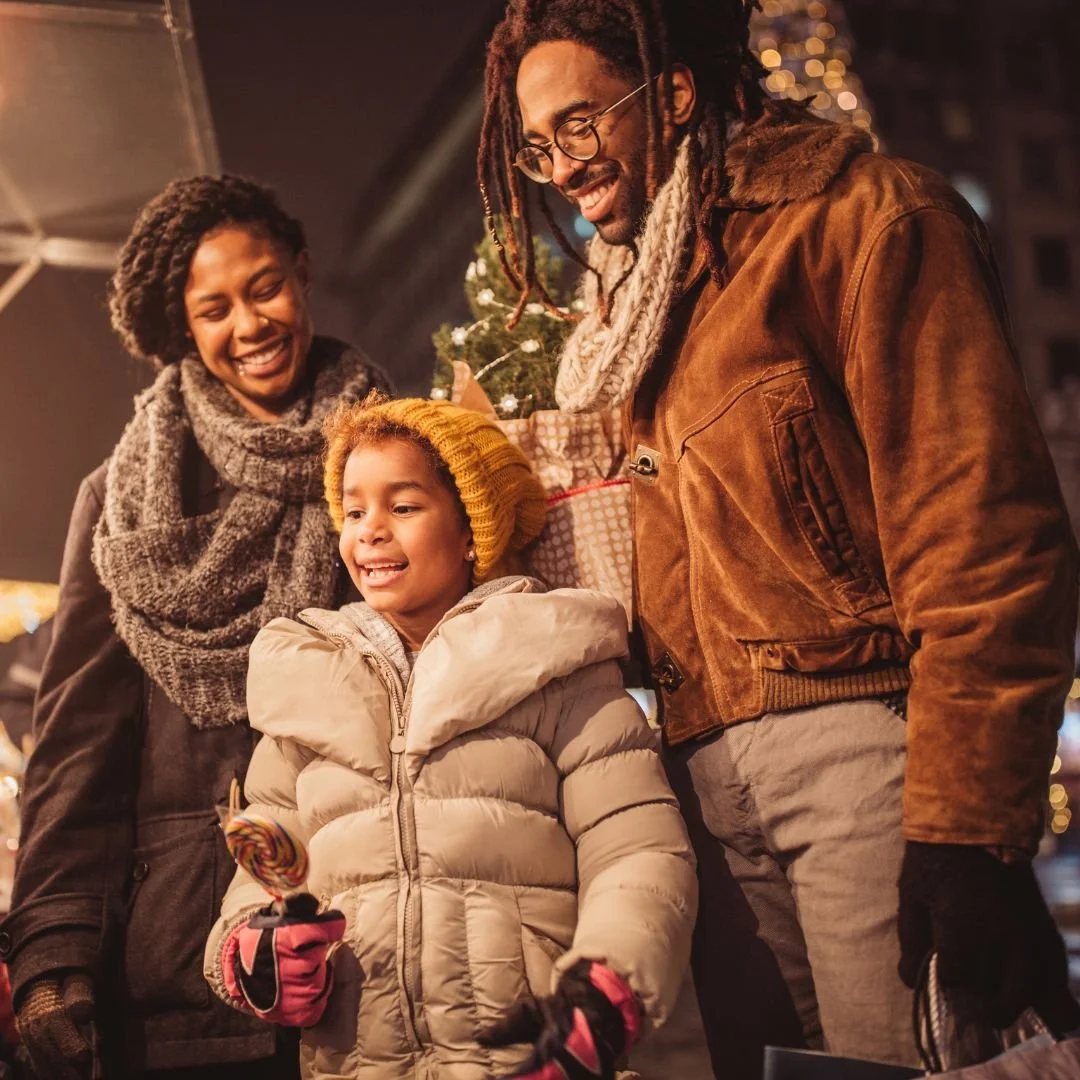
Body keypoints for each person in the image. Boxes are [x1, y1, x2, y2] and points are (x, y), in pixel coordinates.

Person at [477, 1, 1080, 1077]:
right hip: (706, 785)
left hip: (860, 755)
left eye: (580, 124)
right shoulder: (636, 309)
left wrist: (966, 831)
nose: (559, 168)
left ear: (671, 93)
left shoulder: (861, 217)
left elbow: (980, 531)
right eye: (535, 146)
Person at [0, 175, 391, 1080]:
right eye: (214, 308)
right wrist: (52, 950)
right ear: (183, 328)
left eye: (263, 288)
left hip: (371, 937)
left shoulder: (391, 457)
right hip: (185, 966)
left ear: (302, 272)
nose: (249, 325)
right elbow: (76, 744)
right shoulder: (125, 502)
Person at [203, 394, 697, 1080]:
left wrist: (605, 991)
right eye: (352, 511)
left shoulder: (559, 671)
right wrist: (255, 950)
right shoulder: (305, 686)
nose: (369, 531)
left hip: (524, 1057)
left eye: (402, 507)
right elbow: (258, 872)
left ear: (472, 530)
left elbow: (638, 849)